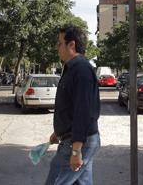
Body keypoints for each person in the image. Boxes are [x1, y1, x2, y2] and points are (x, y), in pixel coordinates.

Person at [45, 26, 101, 185]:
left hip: (78, 142)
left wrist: (76, 150)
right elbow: (69, 106)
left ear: (71, 45)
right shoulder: (71, 69)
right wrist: (58, 133)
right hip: (73, 139)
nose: (57, 47)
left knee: (56, 180)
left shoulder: (82, 70)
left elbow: (83, 111)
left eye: (59, 43)